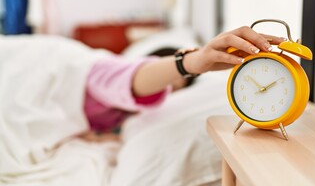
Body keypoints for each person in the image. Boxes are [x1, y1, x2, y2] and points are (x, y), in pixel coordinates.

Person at [79, 26, 285, 141]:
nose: (167, 91)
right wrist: (189, 63)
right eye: (168, 83)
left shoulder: (126, 114)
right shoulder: (105, 70)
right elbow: (132, 79)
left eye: (174, 90)